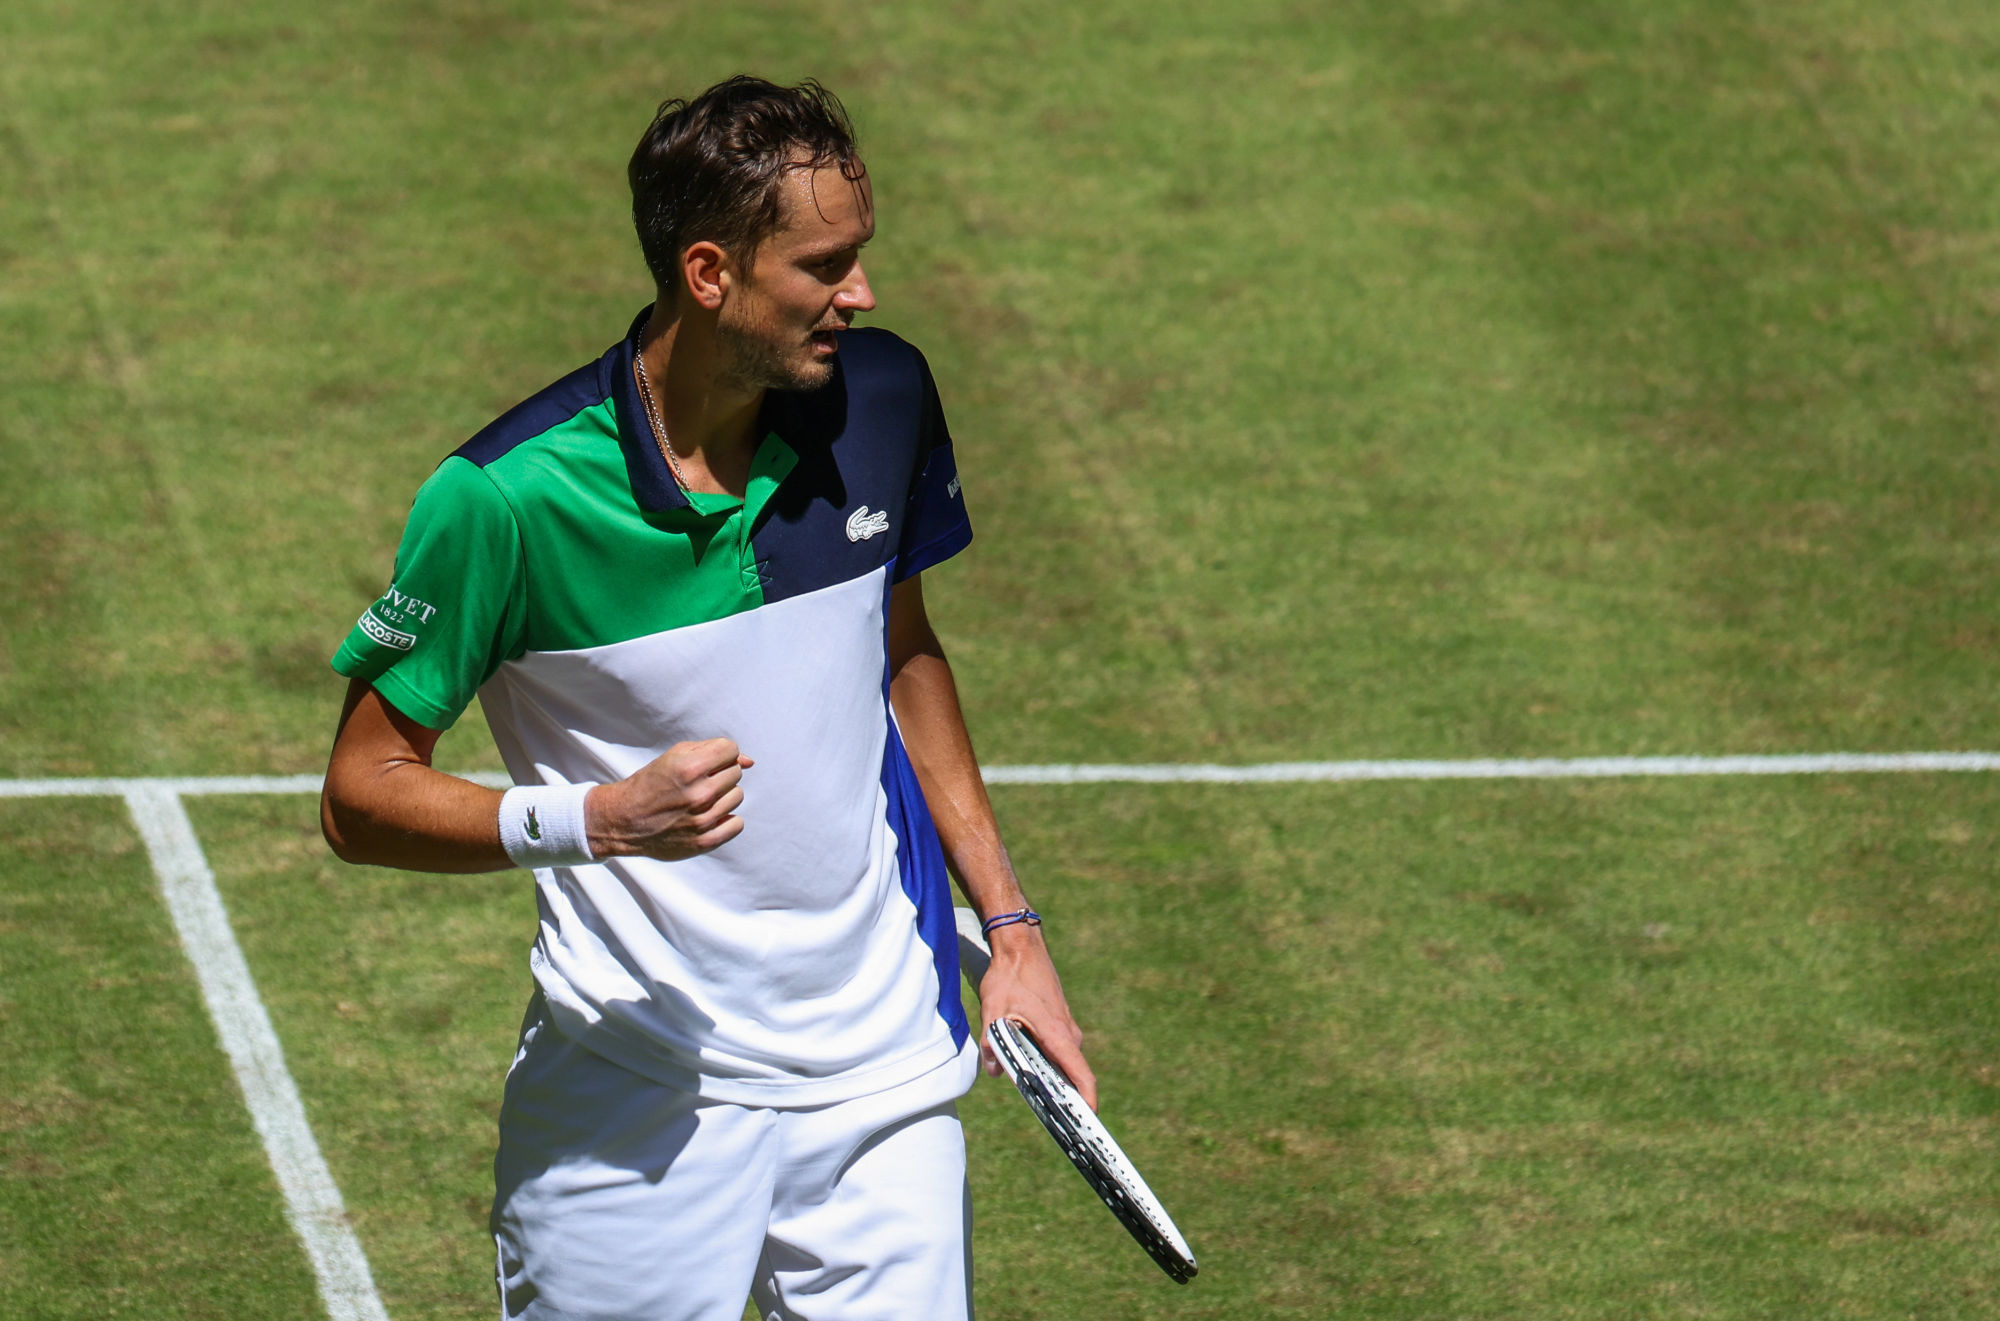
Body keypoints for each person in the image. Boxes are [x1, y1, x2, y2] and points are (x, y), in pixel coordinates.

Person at [319, 76, 1093, 1320]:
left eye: (860, 255)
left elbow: (901, 648)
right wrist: (594, 820)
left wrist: (1011, 927)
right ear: (709, 273)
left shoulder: (882, 399)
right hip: (639, 1096)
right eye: (823, 266)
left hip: (883, 1075)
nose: (861, 294)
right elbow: (359, 796)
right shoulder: (505, 499)